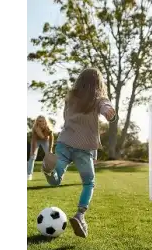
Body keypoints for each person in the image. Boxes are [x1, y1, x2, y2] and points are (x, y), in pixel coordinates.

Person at [43, 68, 115, 238]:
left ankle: (48, 171)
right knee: (89, 183)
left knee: (56, 179)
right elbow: (105, 106)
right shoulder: (97, 98)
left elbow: (65, 117)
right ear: (98, 83)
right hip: (83, 148)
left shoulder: (70, 97)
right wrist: (109, 113)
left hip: (64, 142)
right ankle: (80, 215)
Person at [26, 116, 54, 180]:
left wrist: (50, 149)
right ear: (37, 122)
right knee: (32, 157)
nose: (40, 122)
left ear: (45, 121)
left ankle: (49, 171)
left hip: (46, 140)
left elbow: (51, 140)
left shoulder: (49, 129)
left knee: (49, 155)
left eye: (42, 121)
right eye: (39, 121)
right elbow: (34, 141)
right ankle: (29, 174)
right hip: (36, 141)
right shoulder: (35, 129)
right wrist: (33, 152)